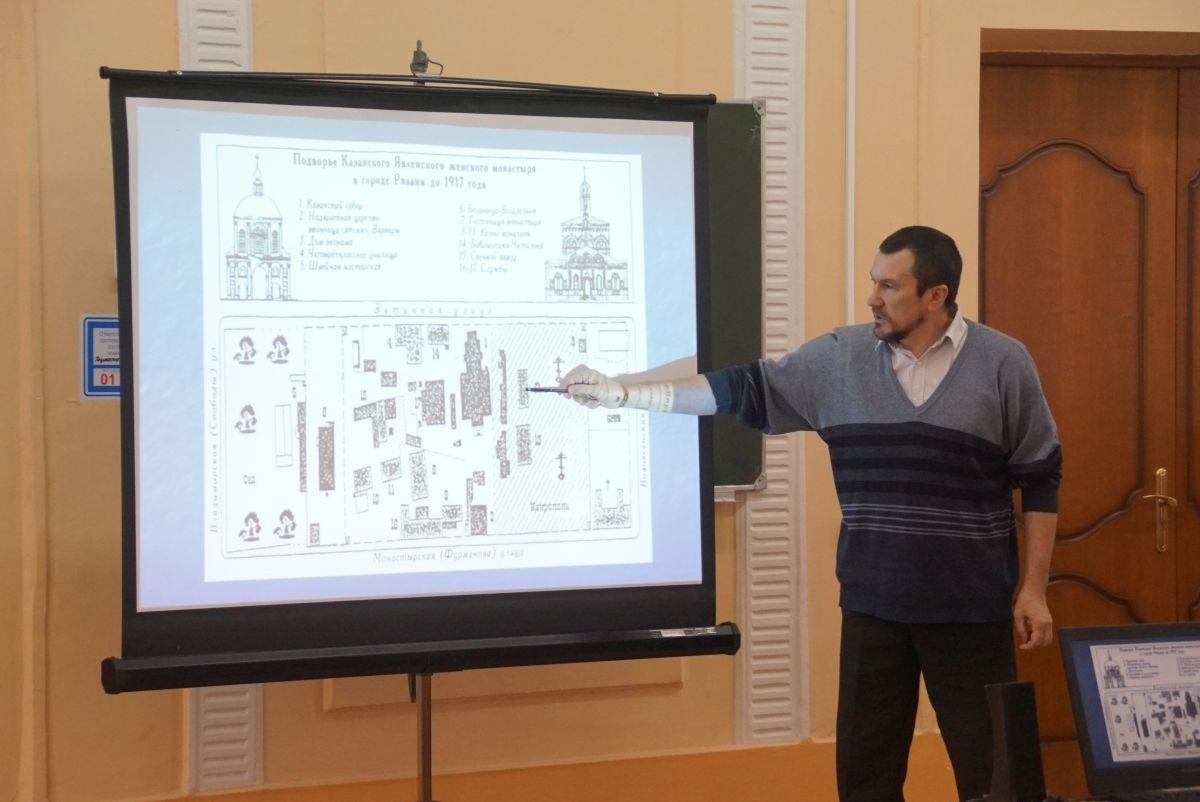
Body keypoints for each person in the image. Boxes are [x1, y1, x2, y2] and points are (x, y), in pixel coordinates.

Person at [562, 225, 1061, 802]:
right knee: (865, 783)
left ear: (935, 295)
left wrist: (1033, 589)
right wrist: (624, 393)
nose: (872, 298)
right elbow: (735, 389)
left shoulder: (1003, 363)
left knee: (997, 779)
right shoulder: (838, 360)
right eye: (873, 283)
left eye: (889, 286)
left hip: (971, 610)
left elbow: (1040, 475)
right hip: (873, 609)